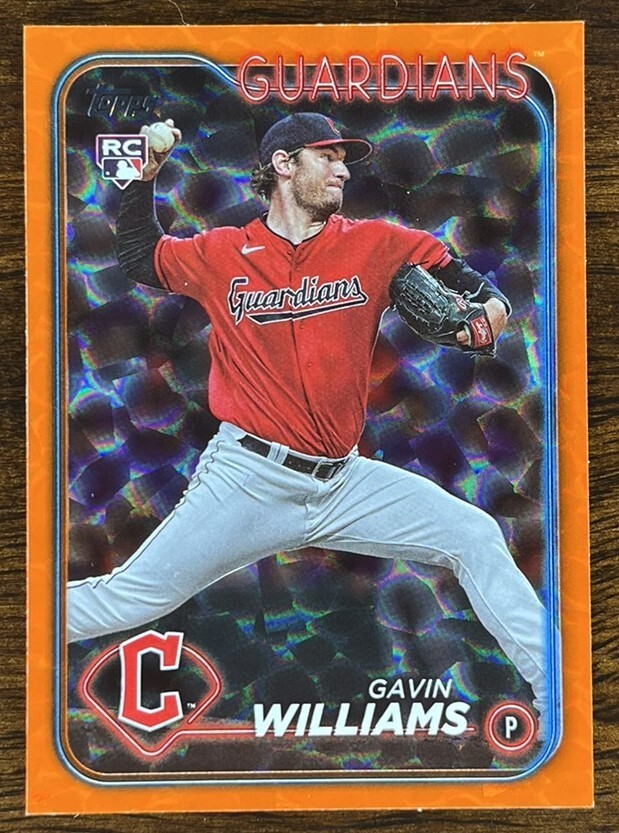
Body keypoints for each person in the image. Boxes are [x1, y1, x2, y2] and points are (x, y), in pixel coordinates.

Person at [68, 112, 549, 737]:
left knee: (474, 535)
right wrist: (144, 177)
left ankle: (557, 700)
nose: (343, 169)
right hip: (248, 478)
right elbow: (140, 256)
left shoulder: (378, 244)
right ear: (283, 165)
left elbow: (475, 288)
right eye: (328, 156)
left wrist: (491, 312)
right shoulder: (221, 253)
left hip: (344, 481)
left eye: (345, 159)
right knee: (133, 597)